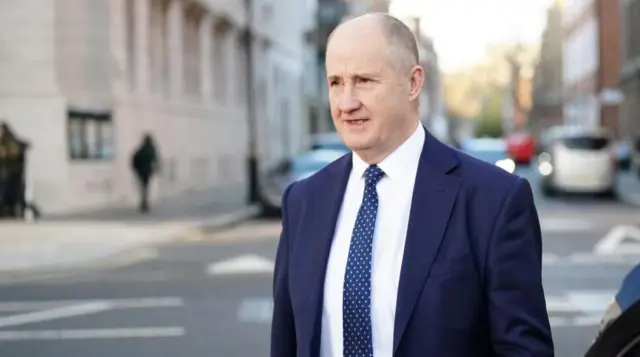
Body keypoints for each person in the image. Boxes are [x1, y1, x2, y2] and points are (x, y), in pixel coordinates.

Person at [270, 13, 554, 357]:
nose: (346, 102)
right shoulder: (302, 202)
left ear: (413, 83)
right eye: (335, 82)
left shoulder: (494, 200)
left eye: (364, 80)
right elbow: (286, 342)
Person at [131, 133, 159, 213]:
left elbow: (134, 159)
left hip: (141, 171)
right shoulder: (150, 149)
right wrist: (156, 168)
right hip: (146, 171)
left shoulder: (141, 149)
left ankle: (144, 203)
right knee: (145, 188)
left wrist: (136, 169)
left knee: (143, 187)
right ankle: (144, 203)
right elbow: (154, 159)